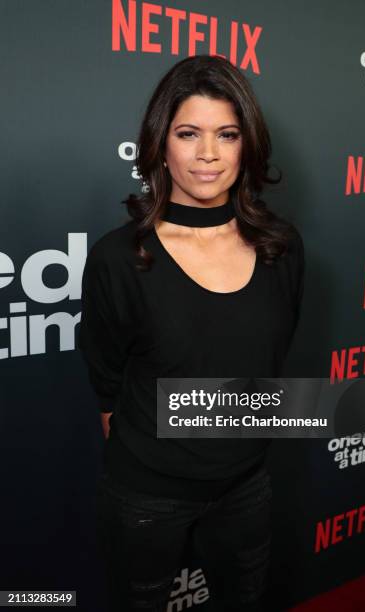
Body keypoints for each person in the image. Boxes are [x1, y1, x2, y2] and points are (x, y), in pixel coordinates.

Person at [79, 54, 304, 612]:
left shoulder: (281, 247)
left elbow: (267, 366)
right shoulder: (118, 258)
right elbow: (108, 385)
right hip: (146, 497)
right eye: (189, 133)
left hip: (247, 487)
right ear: (160, 143)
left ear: (246, 144)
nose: (208, 154)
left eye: (226, 134)